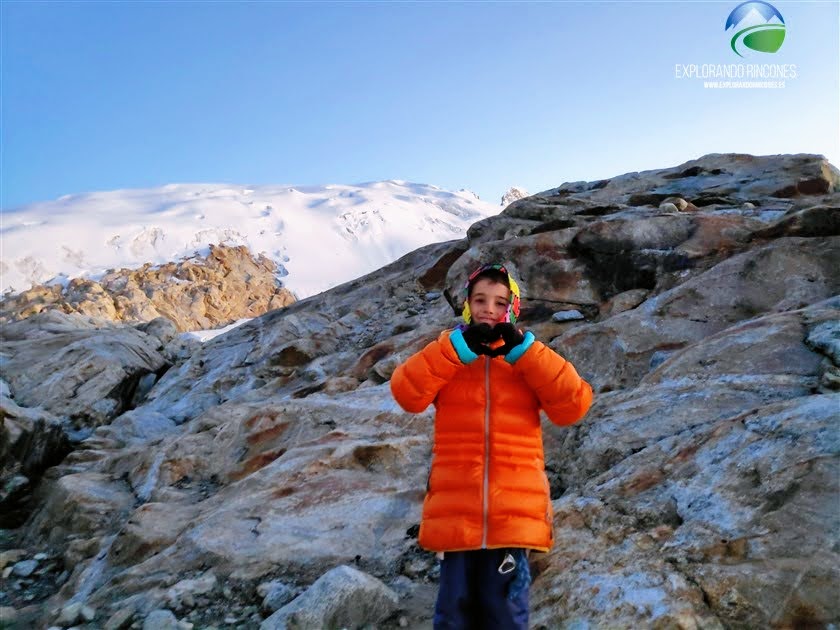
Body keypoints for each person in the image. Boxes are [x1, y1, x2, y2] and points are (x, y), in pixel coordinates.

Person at [390, 262, 593, 629]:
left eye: (500, 302)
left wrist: (525, 352)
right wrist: (454, 350)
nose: (489, 308)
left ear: (513, 309)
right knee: (453, 614)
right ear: (467, 305)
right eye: (480, 299)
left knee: (505, 617)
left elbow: (574, 405)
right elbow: (407, 394)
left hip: (513, 516)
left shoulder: (527, 360)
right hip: (457, 514)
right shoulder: (448, 356)